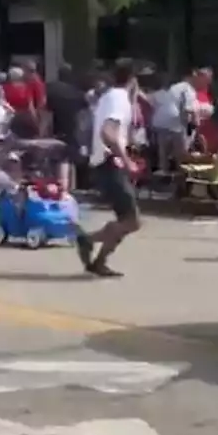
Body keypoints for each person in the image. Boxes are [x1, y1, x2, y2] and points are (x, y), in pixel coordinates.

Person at [75, 59, 141, 278]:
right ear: (133, 79)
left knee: (125, 220)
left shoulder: (113, 97)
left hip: (107, 164)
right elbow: (108, 132)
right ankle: (87, 239)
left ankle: (99, 261)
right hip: (109, 164)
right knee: (132, 221)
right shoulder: (118, 99)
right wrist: (126, 160)